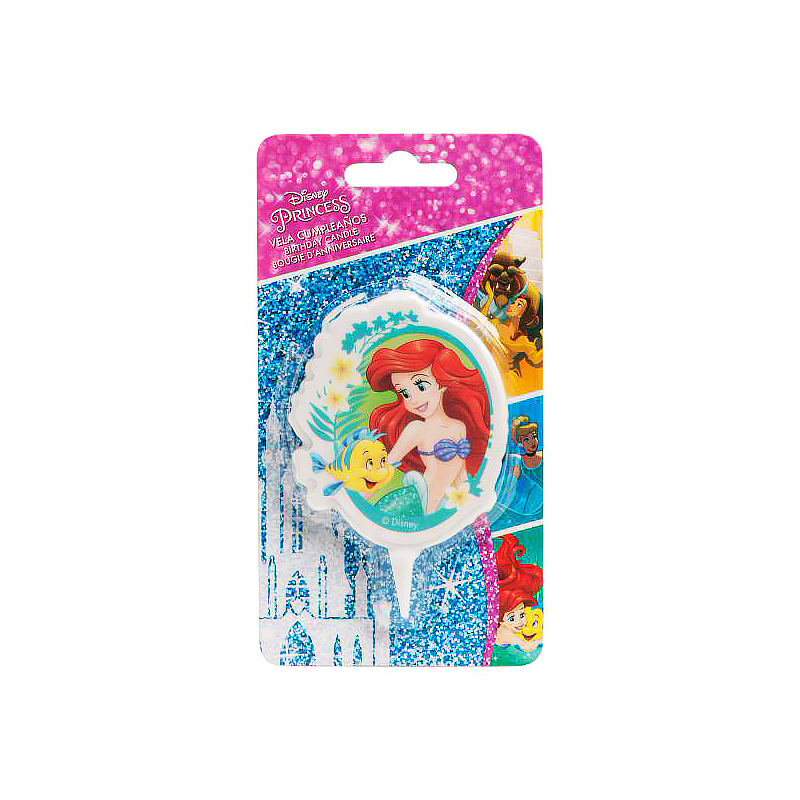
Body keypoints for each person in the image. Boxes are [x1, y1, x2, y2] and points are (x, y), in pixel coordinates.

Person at [366, 339, 490, 515]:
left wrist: (471, 507)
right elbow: (387, 468)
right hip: (419, 505)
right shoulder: (417, 429)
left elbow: (461, 474)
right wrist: (360, 500)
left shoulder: (459, 427)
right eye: (405, 393)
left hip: (445, 506)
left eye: (421, 386)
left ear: (441, 382)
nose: (413, 400)